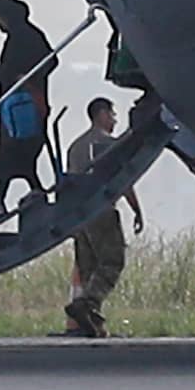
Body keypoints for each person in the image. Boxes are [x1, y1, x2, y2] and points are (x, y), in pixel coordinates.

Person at [64, 97, 144, 337]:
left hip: (79, 216)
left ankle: (92, 325)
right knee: (112, 261)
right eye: (111, 114)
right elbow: (123, 180)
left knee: (89, 270)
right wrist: (137, 210)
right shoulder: (109, 144)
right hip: (101, 211)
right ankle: (86, 304)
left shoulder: (75, 146)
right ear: (100, 114)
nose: (114, 120)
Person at [0, 0, 58, 224]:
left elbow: (48, 62)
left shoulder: (26, 37)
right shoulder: (19, 38)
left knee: (12, 150)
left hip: (24, 108)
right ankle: (22, 192)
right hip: (16, 108)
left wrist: (21, 77)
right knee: (16, 153)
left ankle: (0, 200)